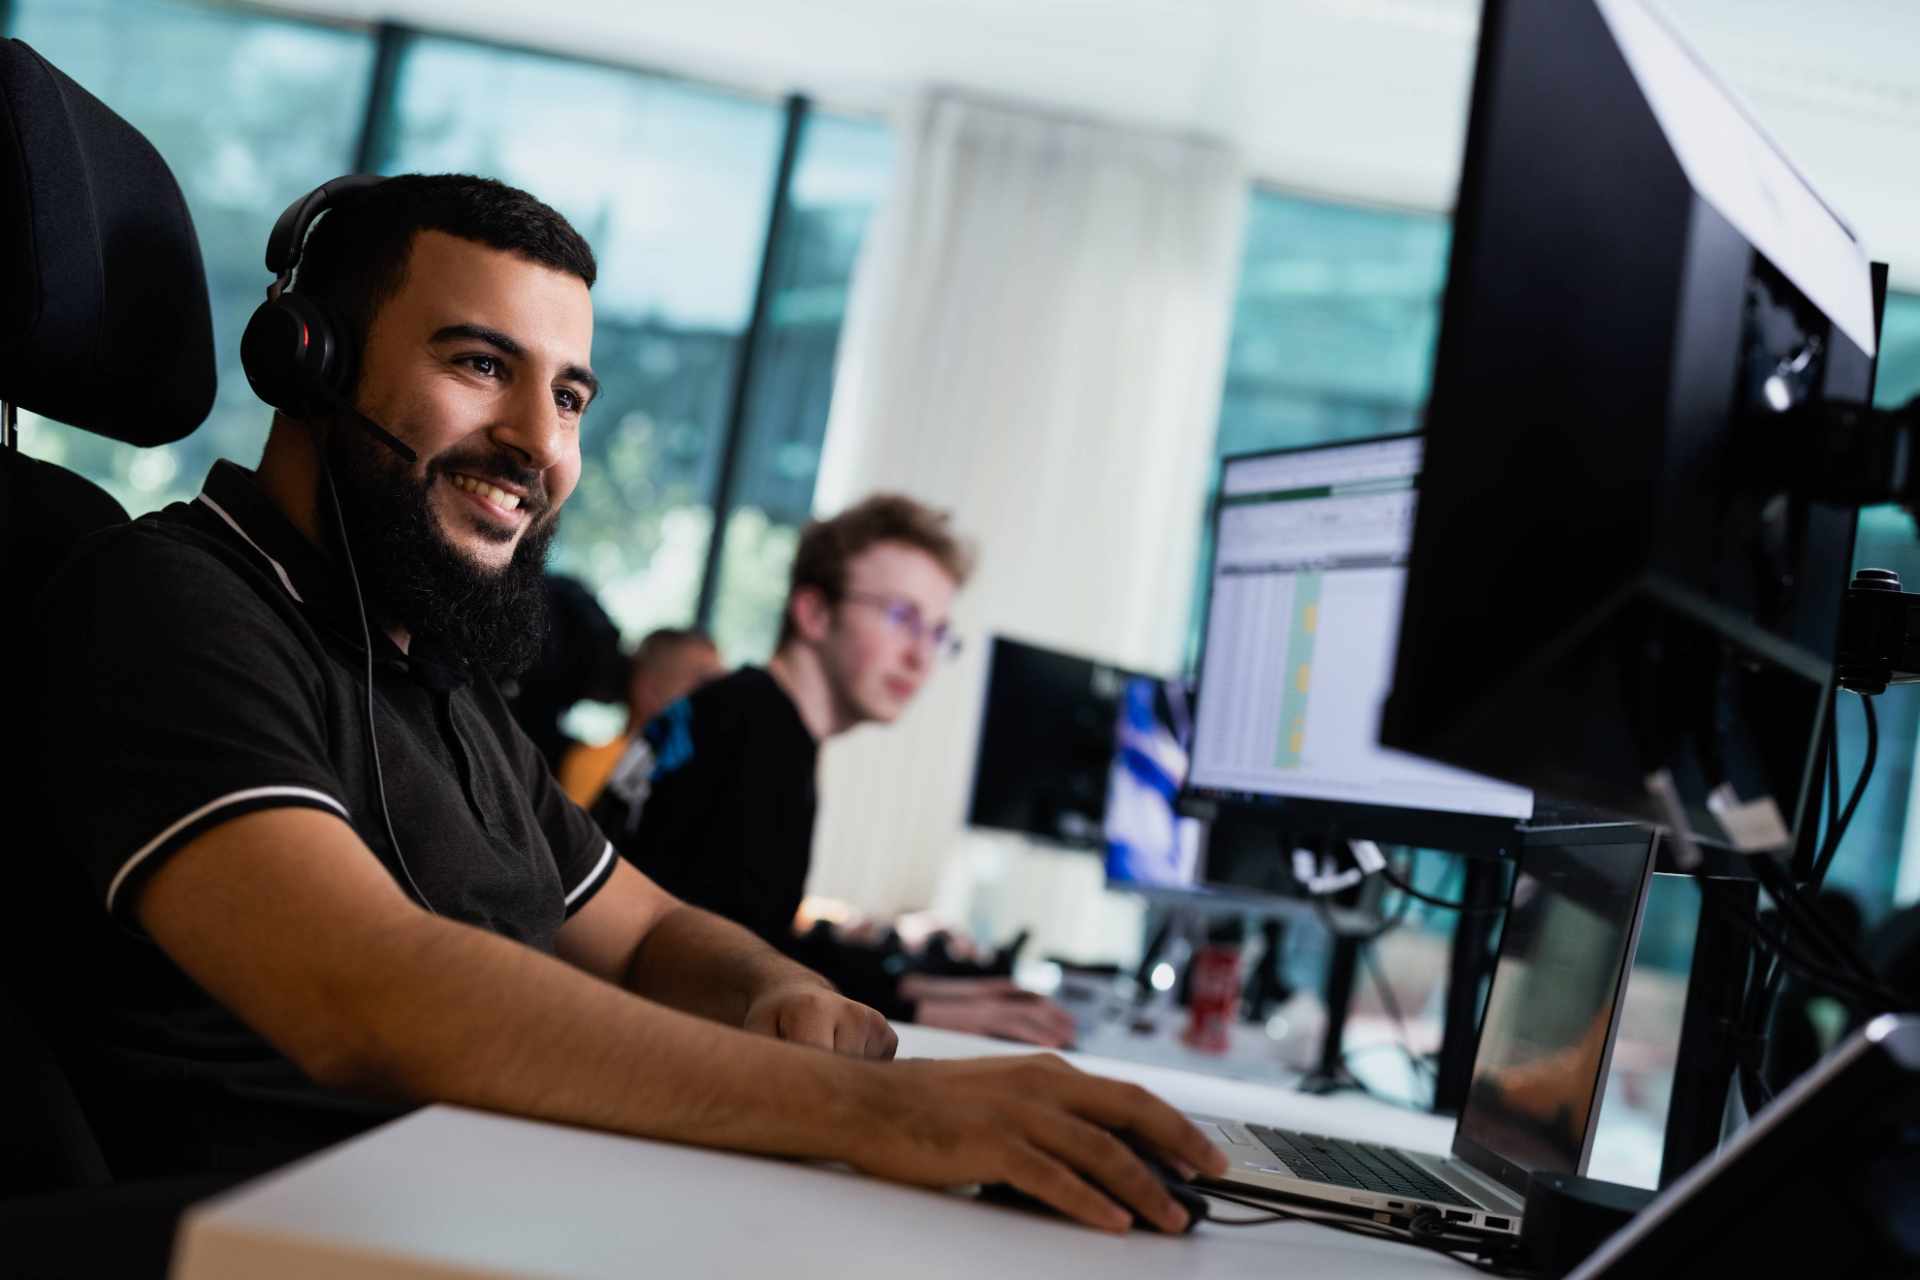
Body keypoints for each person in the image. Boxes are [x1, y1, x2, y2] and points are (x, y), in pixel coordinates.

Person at [32, 173, 1221, 1232]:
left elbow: (647, 929)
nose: (537, 446)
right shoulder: (168, 604)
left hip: (478, 1204)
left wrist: (777, 988)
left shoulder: (437, 685)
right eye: (481, 364)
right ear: (310, 361)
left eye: (572, 398)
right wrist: (877, 1110)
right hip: (282, 1237)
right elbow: (366, 988)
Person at [592, 496, 1079, 1048]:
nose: (920, 656)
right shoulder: (761, 739)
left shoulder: (745, 713)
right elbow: (730, 969)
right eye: (902, 617)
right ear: (815, 613)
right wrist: (917, 1005)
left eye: (937, 633)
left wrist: (927, 990)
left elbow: (755, 936)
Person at [558, 626, 726, 807]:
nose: (720, 696)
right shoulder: (595, 764)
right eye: (703, 682)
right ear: (649, 688)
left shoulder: (707, 767)